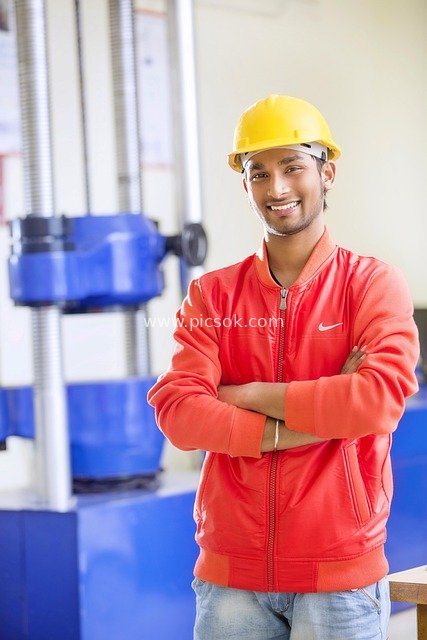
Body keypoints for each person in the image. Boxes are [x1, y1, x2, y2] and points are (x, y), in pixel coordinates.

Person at [147, 94, 419, 640]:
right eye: (259, 173)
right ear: (244, 186)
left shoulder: (371, 285)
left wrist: (242, 394)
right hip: (231, 581)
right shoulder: (211, 296)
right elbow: (178, 413)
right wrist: (316, 418)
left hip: (340, 577)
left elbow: (378, 400)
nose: (277, 189)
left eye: (293, 167)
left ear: (327, 173)